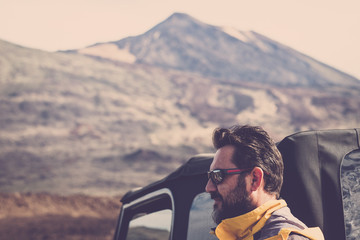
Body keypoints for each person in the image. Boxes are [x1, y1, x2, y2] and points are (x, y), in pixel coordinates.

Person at [205, 125, 324, 240]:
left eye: (218, 175)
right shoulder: (241, 234)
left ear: (255, 179)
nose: (208, 187)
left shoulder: (286, 237)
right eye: (210, 176)